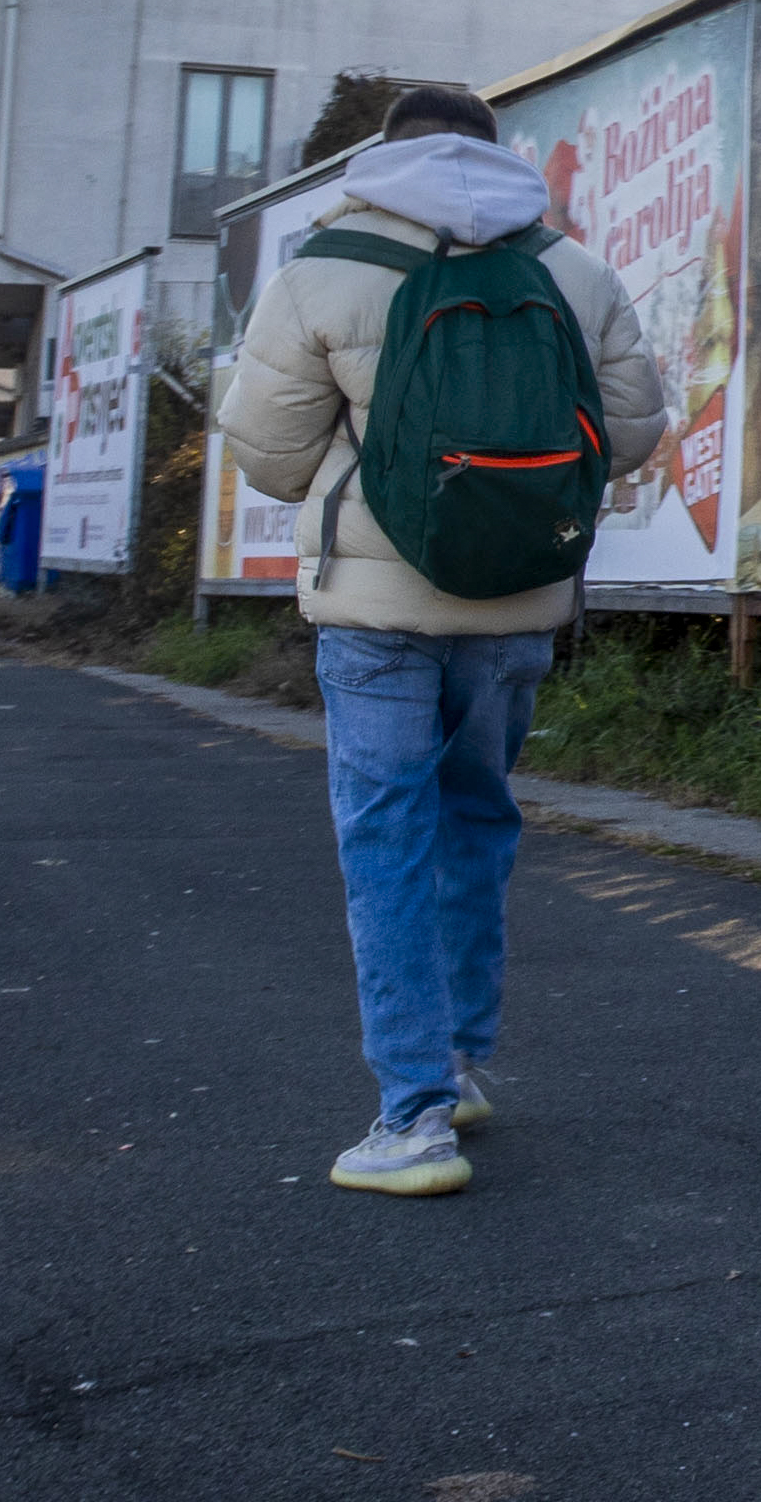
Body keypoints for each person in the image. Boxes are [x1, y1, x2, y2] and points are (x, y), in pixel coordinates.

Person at [214, 83, 672, 1198]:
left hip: (376, 609)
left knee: (385, 840)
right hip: (519, 603)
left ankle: (411, 1116)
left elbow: (269, 459)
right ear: (494, 154)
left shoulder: (322, 269)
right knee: (477, 816)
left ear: (383, 158)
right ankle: (463, 1061)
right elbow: (633, 433)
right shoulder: (573, 270)